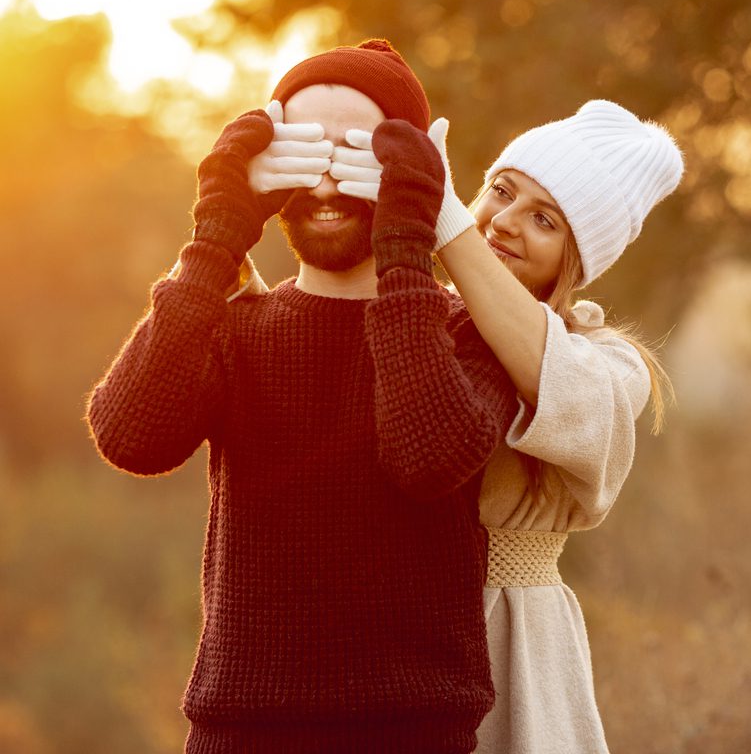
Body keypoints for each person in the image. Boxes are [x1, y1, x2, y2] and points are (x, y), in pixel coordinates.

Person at [86, 39, 518, 754]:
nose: (323, 185)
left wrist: (410, 244)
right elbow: (130, 435)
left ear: (407, 171)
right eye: (303, 151)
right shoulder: (235, 327)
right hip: (239, 734)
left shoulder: (469, 335)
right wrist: (216, 235)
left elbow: (429, 460)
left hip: (416, 735)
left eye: (355, 156)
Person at [272, 98, 681, 752]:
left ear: (575, 262)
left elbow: (546, 369)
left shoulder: (607, 364)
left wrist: (445, 221)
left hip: (509, 643)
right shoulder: (417, 319)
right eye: (501, 192)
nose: (506, 222)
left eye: (544, 219)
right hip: (376, 643)